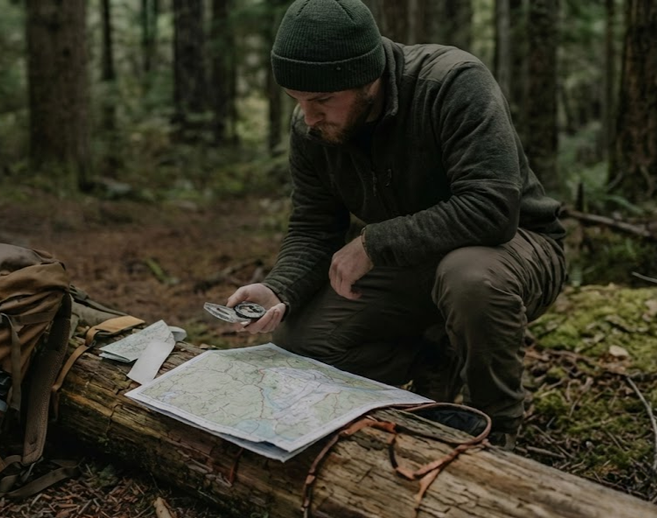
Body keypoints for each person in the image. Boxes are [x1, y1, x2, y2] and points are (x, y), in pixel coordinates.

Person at [225, 0, 567, 450]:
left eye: (323, 100)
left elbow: (492, 208)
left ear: (369, 78)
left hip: (513, 247)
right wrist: (280, 289)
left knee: (468, 278)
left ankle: (495, 431)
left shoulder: (451, 83)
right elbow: (314, 225)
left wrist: (373, 242)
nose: (309, 117)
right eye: (298, 101)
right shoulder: (313, 127)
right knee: (302, 342)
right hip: (413, 260)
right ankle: (432, 361)